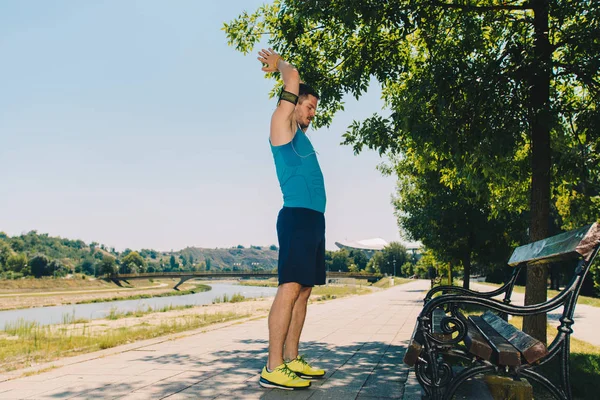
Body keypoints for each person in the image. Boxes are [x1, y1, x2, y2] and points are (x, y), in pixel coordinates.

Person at [256, 48, 327, 390]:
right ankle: (273, 366)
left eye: (315, 108)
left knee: (303, 290)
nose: (313, 113)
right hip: (297, 218)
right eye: (309, 106)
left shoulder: (302, 136)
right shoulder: (281, 124)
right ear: (295, 102)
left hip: (313, 220)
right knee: (289, 288)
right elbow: (293, 75)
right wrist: (280, 66)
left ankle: (292, 358)